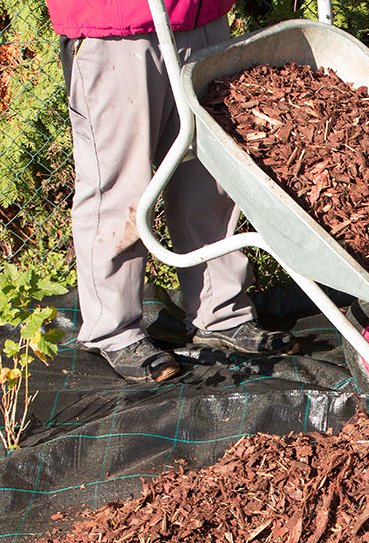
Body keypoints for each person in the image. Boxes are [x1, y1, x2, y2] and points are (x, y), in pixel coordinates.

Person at [45, 0, 299, 382]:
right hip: (117, 27)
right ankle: (113, 331)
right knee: (118, 188)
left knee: (209, 181)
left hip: (202, 20)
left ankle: (220, 311)